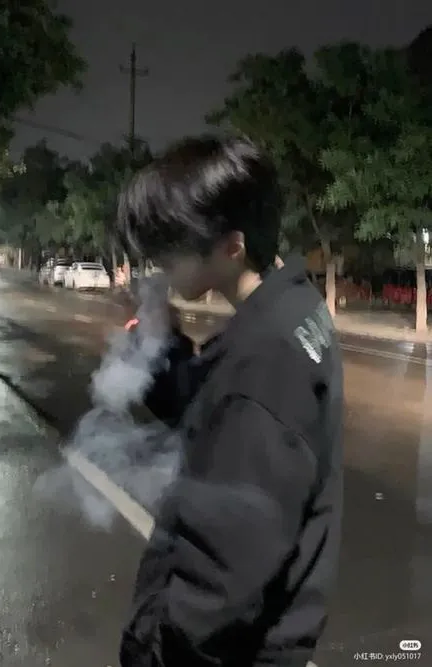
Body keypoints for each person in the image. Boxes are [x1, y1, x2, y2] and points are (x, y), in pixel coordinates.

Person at [116, 135, 343, 667]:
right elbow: (216, 414)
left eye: (171, 245)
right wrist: (162, 349)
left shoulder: (265, 362)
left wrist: (151, 645)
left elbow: (222, 581)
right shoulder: (293, 305)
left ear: (231, 246)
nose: (159, 262)